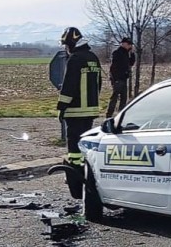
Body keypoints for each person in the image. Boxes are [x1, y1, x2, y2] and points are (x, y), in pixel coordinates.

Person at [56, 26, 102, 177]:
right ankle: (86, 168)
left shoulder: (75, 59)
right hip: (91, 109)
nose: (66, 48)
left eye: (66, 45)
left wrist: (61, 107)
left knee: (74, 140)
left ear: (72, 43)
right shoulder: (93, 58)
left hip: (75, 109)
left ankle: (75, 171)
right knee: (85, 140)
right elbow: (98, 83)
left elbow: (70, 85)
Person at [106, 36, 134, 117]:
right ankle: (109, 115)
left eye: (130, 44)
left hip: (124, 78)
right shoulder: (117, 53)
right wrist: (115, 79)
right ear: (123, 44)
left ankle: (120, 115)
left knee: (123, 98)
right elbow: (113, 67)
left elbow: (131, 63)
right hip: (118, 79)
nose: (130, 46)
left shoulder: (126, 53)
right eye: (128, 44)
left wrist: (132, 53)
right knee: (114, 98)